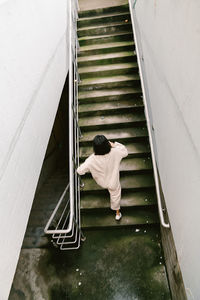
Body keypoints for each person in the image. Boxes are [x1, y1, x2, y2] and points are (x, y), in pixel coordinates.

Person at [77, 135, 128, 220]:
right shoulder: (115, 152)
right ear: (107, 144)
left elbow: (80, 171)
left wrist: (91, 168)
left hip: (102, 182)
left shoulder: (91, 160)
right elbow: (125, 152)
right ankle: (117, 214)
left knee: (111, 189)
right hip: (113, 181)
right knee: (115, 195)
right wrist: (114, 144)